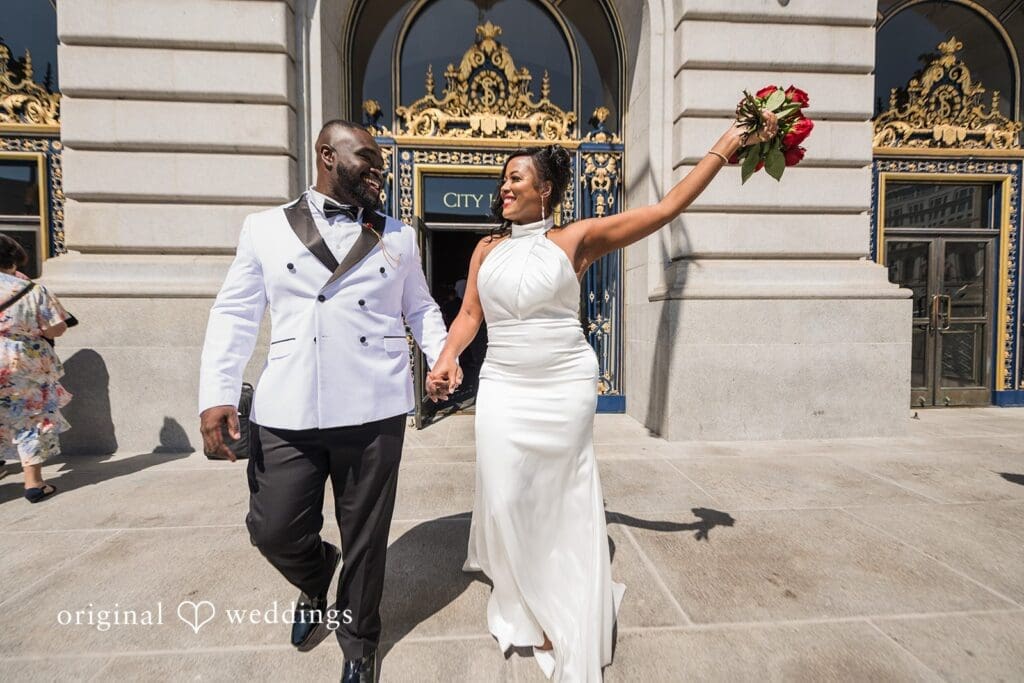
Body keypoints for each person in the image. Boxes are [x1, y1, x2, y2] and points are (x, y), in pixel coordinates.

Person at [427, 113, 778, 680]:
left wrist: (727, 144)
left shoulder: (576, 239)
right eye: (504, 179)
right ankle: (522, 586)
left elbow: (665, 211)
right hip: (502, 383)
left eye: (518, 178)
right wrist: (446, 357)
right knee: (505, 489)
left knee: (557, 491)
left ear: (546, 190)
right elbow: (470, 314)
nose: (506, 187)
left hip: (562, 382)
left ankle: (551, 602)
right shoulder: (486, 250)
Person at [198, 120, 451, 683]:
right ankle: (316, 576)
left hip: (375, 405)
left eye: (382, 161)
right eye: (367, 156)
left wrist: (441, 355)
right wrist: (217, 392)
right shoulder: (264, 228)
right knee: (273, 527)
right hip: (289, 405)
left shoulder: (399, 236)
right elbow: (236, 313)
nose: (379, 168)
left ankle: (360, 640)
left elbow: (421, 308)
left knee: (367, 533)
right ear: (326, 156)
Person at [0, 235, 72, 503]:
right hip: (23, 362)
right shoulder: (31, 291)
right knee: (30, 417)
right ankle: (33, 482)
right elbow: (56, 328)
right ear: (14, 259)